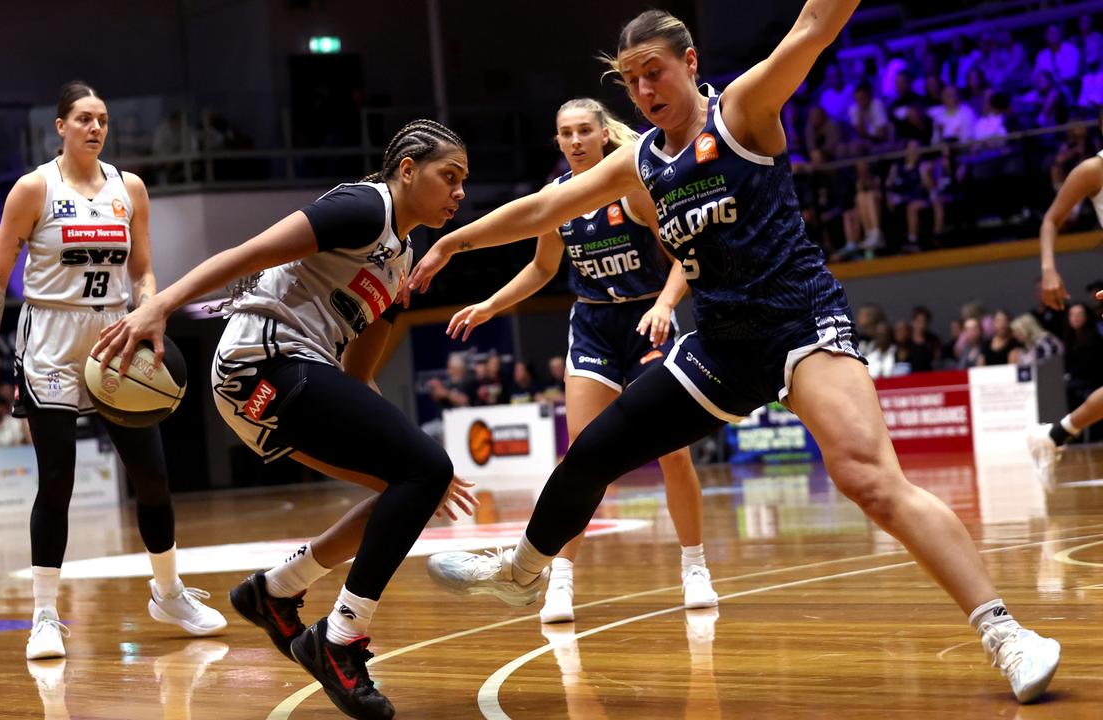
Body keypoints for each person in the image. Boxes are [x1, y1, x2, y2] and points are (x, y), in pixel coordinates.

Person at [410, 4, 1060, 703]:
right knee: (593, 451)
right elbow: (543, 211)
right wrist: (453, 241)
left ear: (689, 64)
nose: (644, 91)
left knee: (868, 478)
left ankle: (1007, 634)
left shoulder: (744, 109)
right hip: (721, 344)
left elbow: (815, 23)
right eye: (631, 82)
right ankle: (524, 571)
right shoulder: (639, 159)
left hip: (798, 323)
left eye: (653, 72)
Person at [93, 118, 470, 719]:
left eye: (464, 183)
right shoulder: (360, 208)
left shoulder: (400, 261)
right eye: (448, 177)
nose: (459, 193)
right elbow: (246, 253)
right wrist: (159, 305)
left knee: (409, 488)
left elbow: (359, 376)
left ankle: (274, 591)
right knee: (423, 469)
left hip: (290, 383)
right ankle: (339, 639)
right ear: (406, 170)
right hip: (261, 364)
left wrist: (413, 458)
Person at [0, 81, 226, 662]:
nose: (95, 127)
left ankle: (169, 593)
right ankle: (45, 617)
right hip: (51, 341)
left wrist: (152, 310)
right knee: (56, 480)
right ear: (60, 126)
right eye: (83, 118)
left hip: (115, 336)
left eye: (102, 119)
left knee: (152, 476)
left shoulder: (129, 188)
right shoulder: (34, 188)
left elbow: (144, 271)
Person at [442, 96, 717, 622]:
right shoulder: (557, 199)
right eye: (565, 133)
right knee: (583, 458)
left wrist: (664, 304)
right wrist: (489, 306)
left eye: (583, 131)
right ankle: (561, 581)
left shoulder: (634, 189)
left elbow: (683, 254)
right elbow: (542, 269)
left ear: (602, 135)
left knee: (673, 453)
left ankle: (695, 566)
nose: (574, 141)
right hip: (592, 325)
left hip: (645, 322)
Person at [1029, 134, 1103, 487]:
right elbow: (1050, 220)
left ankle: (1053, 435)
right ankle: (1055, 434)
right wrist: (1048, 270)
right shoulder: (1093, 170)